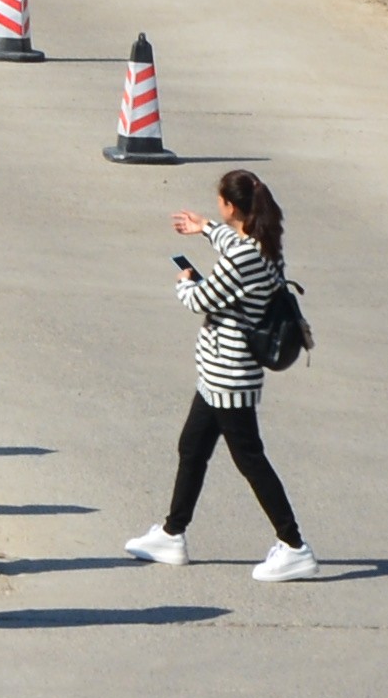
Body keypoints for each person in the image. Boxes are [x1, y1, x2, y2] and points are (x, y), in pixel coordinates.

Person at [122, 167, 319, 582]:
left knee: (250, 459)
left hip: (229, 374)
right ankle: (173, 533)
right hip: (218, 374)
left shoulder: (245, 258)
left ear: (233, 206)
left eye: (219, 205)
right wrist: (206, 228)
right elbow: (235, 243)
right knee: (191, 447)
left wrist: (184, 281)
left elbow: (202, 299)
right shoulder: (263, 244)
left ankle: (294, 544)